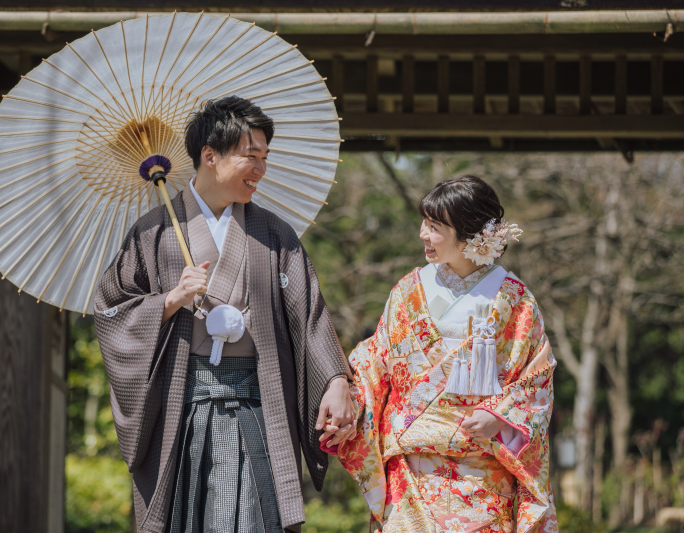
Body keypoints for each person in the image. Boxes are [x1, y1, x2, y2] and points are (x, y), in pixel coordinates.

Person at [93, 96, 358, 533]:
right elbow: (111, 312)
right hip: (183, 408)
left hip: (256, 403)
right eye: (250, 156)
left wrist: (335, 380)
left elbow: (308, 316)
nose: (260, 168)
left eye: (265, 158)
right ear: (209, 156)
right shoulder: (153, 233)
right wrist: (170, 300)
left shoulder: (275, 234)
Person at [330, 176, 558, 533]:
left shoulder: (513, 299)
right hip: (410, 469)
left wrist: (500, 418)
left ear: (469, 233)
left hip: (483, 470)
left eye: (435, 227)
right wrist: (342, 392)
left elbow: (537, 378)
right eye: (424, 223)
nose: (423, 234)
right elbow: (374, 362)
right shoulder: (408, 291)